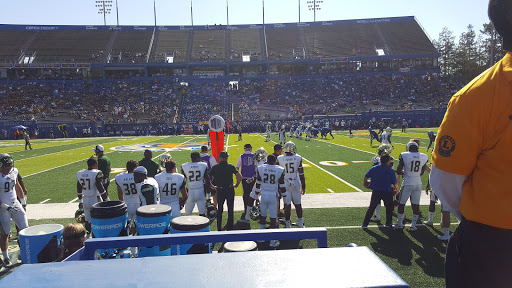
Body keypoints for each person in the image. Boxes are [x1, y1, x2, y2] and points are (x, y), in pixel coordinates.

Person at [429, 2, 512, 286]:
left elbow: (445, 183)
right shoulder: (478, 96)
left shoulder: (477, 96)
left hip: (493, 241)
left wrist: (481, 215)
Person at [0, 154, 28, 267]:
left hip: (15, 204)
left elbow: (17, 187)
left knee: (25, 229)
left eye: (10, 166)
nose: (9, 169)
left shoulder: (14, 171)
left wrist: (23, 202)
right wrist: (5, 207)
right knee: (5, 234)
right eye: (7, 167)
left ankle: (23, 254)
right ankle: (6, 257)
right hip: (3, 208)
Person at [395, 141, 429, 231]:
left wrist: (406, 172)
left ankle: (400, 224)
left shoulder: (404, 155)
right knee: (416, 205)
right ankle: (413, 226)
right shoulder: (424, 156)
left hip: (407, 183)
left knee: (401, 204)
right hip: (418, 183)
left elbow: (398, 171)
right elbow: (421, 172)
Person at [254, 154, 286, 248]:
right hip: (272, 195)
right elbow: (282, 185)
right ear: (275, 161)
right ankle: (272, 242)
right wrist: (284, 196)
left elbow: (258, 183)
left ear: (267, 160)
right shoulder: (279, 169)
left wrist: (256, 196)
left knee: (262, 217)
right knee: (273, 219)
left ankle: (261, 238)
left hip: (263, 195)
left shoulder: (261, 168)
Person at [362, 154, 399, 228]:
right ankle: (388, 222)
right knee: (389, 208)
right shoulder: (391, 171)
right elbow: (395, 183)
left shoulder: (374, 168)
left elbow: (366, 176)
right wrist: (397, 191)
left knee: (371, 207)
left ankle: (365, 223)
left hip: (376, 191)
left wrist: (365, 184)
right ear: (388, 162)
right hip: (387, 191)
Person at [208, 151, 242, 231]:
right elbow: (239, 175)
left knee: (220, 209)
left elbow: (207, 177)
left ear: (220, 158)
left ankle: (219, 227)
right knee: (230, 208)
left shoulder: (215, 167)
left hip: (220, 189)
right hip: (229, 189)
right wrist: (236, 185)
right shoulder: (230, 166)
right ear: (226, 158)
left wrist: (212, 186)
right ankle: (230, 227)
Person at [277, 141, 306, 228]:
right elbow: (301, 173)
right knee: (297, 204)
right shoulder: (298, 158)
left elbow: (278, 173)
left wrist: (278, 186)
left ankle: (288, 223)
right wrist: (303, 186)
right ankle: (300, 222)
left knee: (287, 205)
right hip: (295, 182)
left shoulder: (279, 158)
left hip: (285, 183)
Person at [77, 158, 107, 234]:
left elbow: (79, 186)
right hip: (95, 199)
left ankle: (88, 236)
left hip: (85, 199)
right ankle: (97, 236)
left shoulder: (80, 173)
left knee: (87, 220)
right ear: (95, 164)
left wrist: (80, 200)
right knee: (98, 220)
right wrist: (106, 199)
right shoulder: (96, 173)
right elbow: (100, 187)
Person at [181, 152, 212, 217]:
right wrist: (208, 196)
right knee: (202, 214)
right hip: (200, 192)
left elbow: (183, 181)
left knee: (187, 215)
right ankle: (202, 227)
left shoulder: (185, 166)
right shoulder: (203, 165)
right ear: (198, 157)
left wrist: (185, 191)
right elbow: (207, 180)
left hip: (191, 192)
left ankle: (188, 227)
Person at [115, 160, 139, 235]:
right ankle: (134, 241)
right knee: (136, 224)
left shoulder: (120, 177)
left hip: (126, 203)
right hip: (137, 203)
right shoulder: (138, 176)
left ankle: (128, 239)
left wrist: (122, 204)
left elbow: (120, 193)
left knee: (126, 225)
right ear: (135, 168)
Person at [236, 144, 256, 222]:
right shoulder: (254, 155)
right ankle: (252, 207)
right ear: (249, 148)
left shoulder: (241, 156)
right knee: (253, 192)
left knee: (246, 193)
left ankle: (246, 207)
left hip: (244, 177)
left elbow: (237, 167)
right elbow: (256, 166)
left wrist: (238, 176)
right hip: (252, 177)